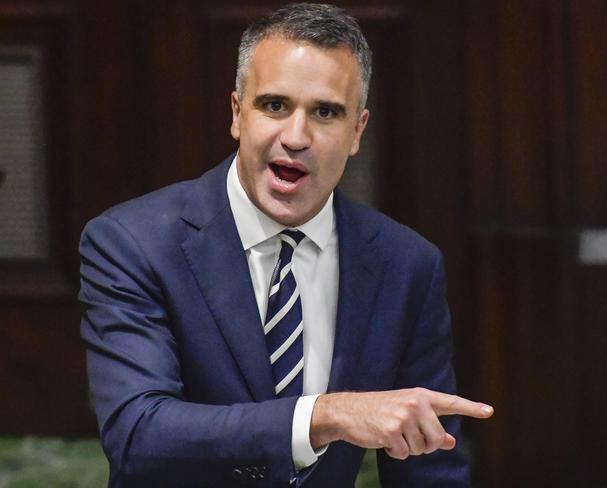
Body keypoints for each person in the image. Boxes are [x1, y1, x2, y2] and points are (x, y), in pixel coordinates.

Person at [79, 3, 493, 487]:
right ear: (237, 113)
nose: (296, 136)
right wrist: (326, 416)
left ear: (357, 131)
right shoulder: (133, 243)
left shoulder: (407, 265)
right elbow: (138, 434)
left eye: (325, 112)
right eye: (274, 105)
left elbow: (431, 469)